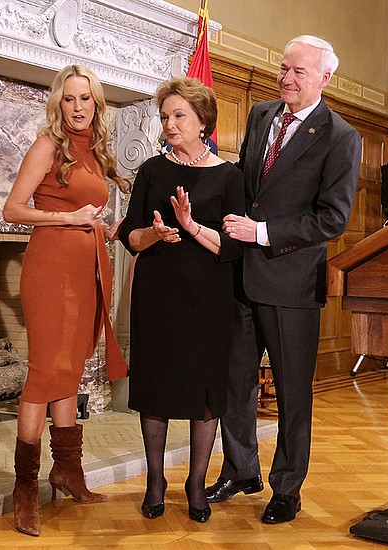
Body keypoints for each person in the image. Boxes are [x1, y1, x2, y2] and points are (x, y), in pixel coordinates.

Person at [209, 35, 361, 524]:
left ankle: (286, 489)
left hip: (293, 284)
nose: (287, 78)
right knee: (234, 383)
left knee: (293, 395)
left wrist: (263, 232)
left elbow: (332, 220)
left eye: (299, 72)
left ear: (324, 78)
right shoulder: (259, 115)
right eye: (283, 69)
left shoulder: (341, 137)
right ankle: (241, 470)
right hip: (240, 276)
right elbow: (244, 183)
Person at [2, 65, 129, 536]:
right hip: (51, 270)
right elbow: (12, 208)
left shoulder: (95, 154)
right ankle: (25, 490)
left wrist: (101, 226)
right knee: (45, 371)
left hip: (88, 270)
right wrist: (72, 219)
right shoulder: (47, 146)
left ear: (96, 103)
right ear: (59, 103)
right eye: (70, 99)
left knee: (71, 369)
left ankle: (68, 471)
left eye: (86, 99)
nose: (78, 107)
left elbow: (86, 211)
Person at [118, 77, 244, 523]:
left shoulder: (230, 175)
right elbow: (128, 236)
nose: (169, 124)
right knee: (156, 389)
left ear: (203, 121)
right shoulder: (152, 171)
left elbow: (233, 247)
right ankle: (156, 480)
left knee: (204, 394)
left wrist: (190, 227)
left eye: (179, 116)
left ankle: (195, 483)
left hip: (208, 299)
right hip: (157, 296)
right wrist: (154, 234)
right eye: (165, 116)